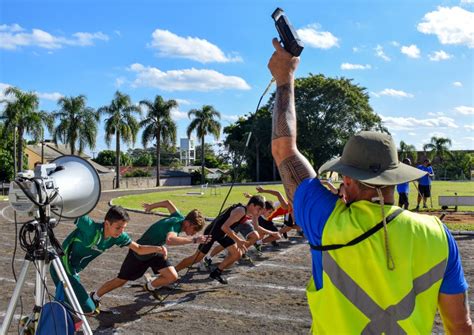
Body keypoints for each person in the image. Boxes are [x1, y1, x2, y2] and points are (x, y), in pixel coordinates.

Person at [268, 38, 472, 333]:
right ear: (394, 179)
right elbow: (460, 324)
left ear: (347, 179)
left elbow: (284, 150)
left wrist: (284, 79)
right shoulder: (437, 234)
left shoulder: (327, 220)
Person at [51, 205, 167, 314]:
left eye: (123, 228)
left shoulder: (117, 237)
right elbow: (73, 209)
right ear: (107, 223)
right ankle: (49, 319)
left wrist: (158, 248)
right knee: (87, 308)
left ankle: (51, 318)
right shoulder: (91, 228)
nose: (121, 231)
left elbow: (139, 248)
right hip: (60, 267)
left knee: (71, 304)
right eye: (118, 227)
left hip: (73, 271)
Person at [91, 200, 208, 305]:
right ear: (188, 223)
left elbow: (168, 203)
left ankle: (150, 286)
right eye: (195, 229)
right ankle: (95, 296)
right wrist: (194, 240)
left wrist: (151, 206)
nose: (195, 232)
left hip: (156, 251)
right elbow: (170, 240)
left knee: (172, 276)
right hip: (140, 252)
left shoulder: (178, 216)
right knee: (121, 281)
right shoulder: (175, 225)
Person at [175, 195, 265, 284]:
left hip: (222, 234)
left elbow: (226, 228)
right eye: (258, 209)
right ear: (252, 205)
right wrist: (238, 240)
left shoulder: (245, 212)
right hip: (212, 232)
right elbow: (224, 227)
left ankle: (216, 273)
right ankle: (174, 271)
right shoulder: (240, 211)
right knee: (197, 258)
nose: (259, 212)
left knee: (237, 254)